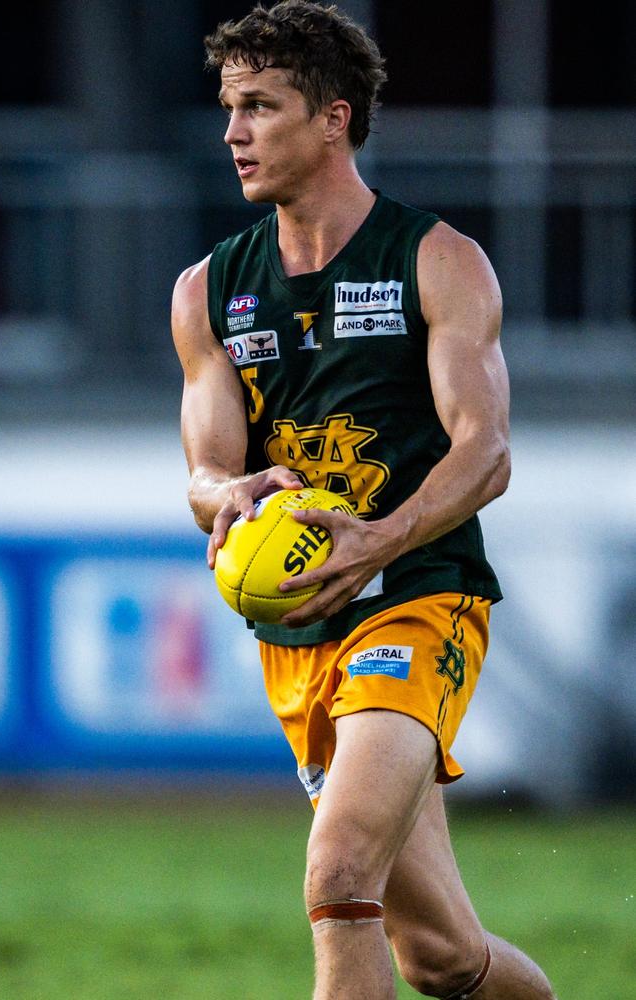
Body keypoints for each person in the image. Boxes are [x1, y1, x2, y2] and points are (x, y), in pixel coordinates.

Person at [172, 3, 557, 997]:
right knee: (438, 958)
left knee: (339, 873)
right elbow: (202, 474)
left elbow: (486, 451)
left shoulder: (435, 260)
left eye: (260, 106)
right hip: (297, 638)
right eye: (228, 107)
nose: (233, 133)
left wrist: (376, 539)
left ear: (333, 117)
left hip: (417, 596)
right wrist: (230, 491)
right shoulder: (208, 290)